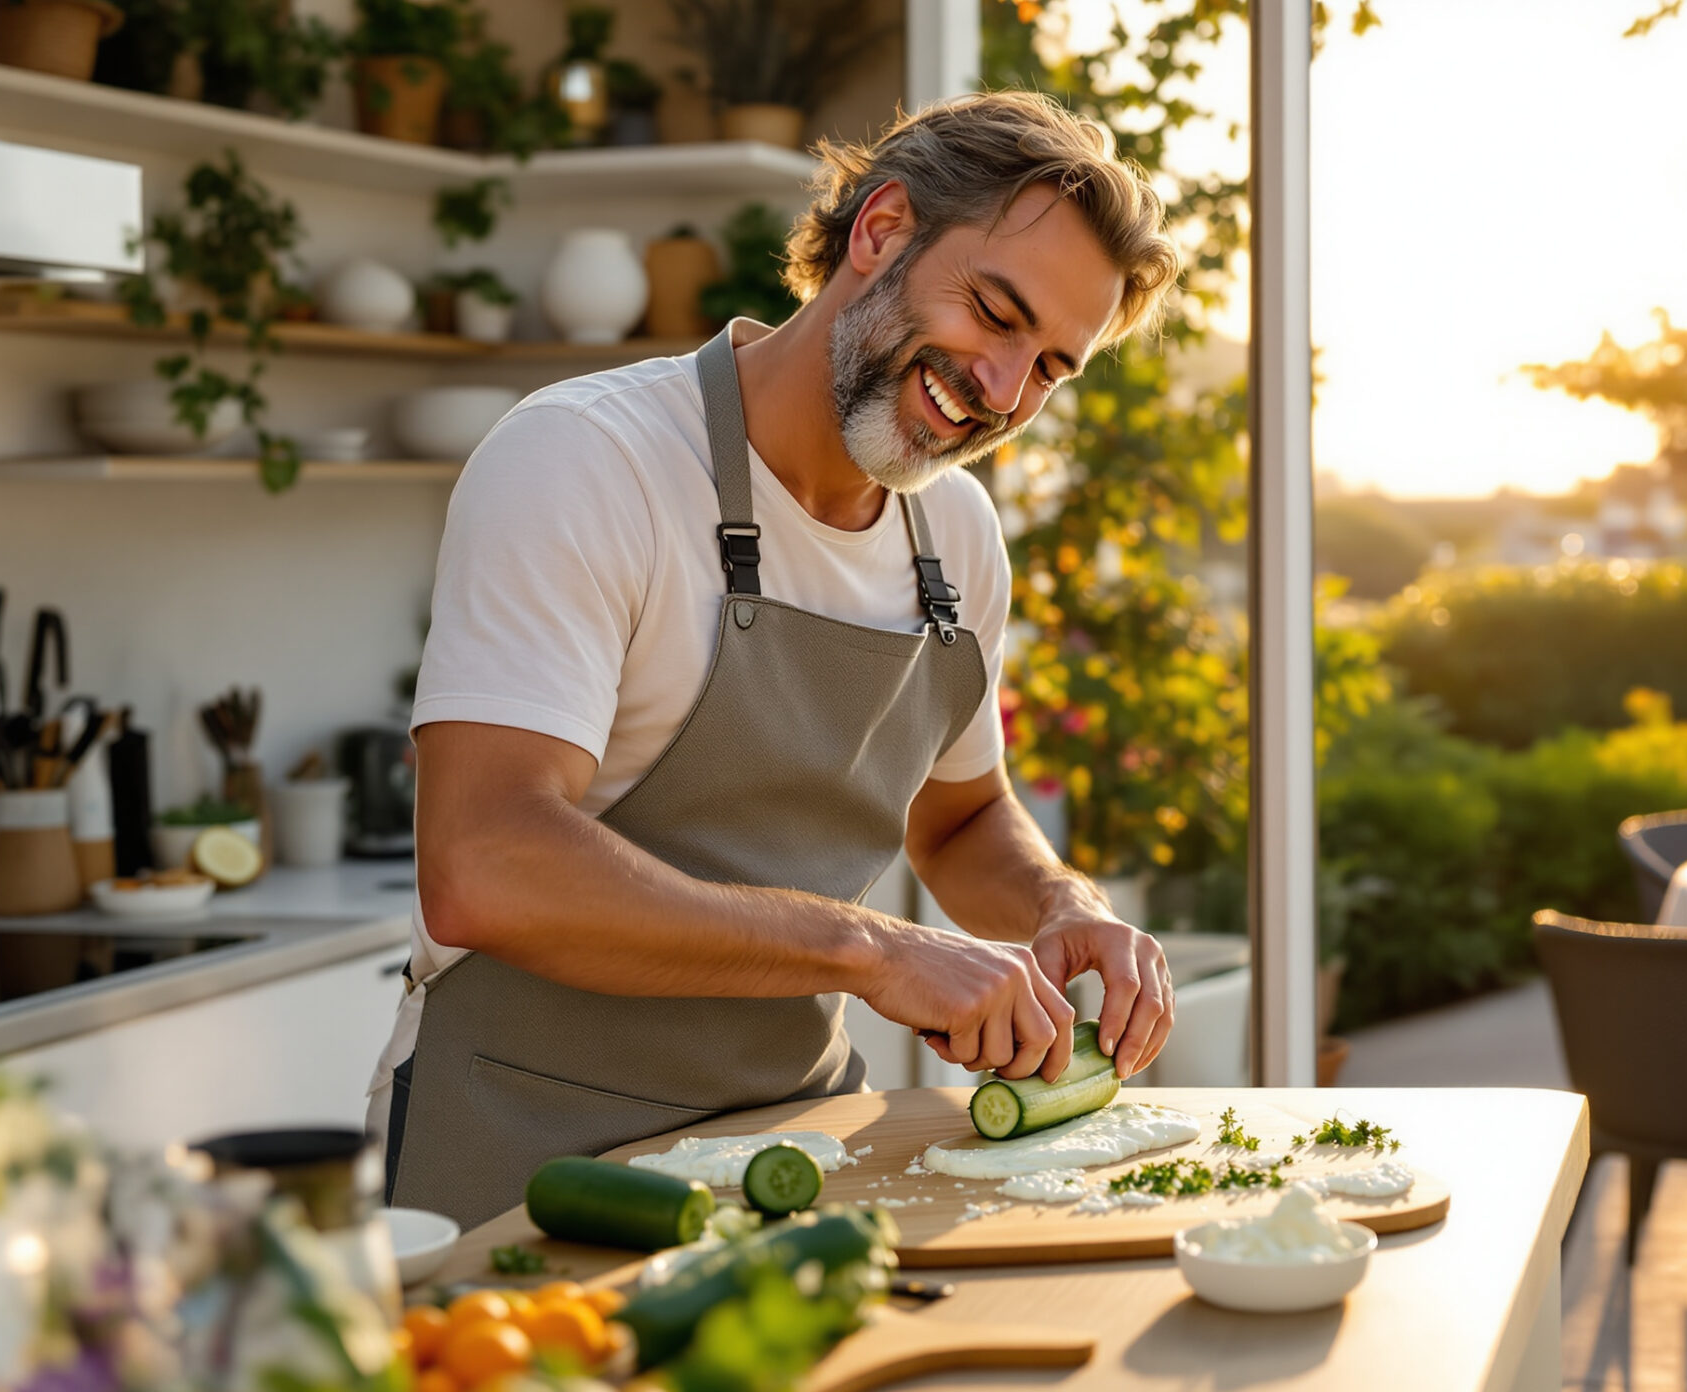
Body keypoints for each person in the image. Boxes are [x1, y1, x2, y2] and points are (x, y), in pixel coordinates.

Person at [373, 92, 1183, 1226]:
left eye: (1050, 366)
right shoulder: (588, 460)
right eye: (995, 313)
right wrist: (870, 949)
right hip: (525, 1150)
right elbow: (484, 864)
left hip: (796, 1155)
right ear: (881, 229)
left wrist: (1059, 904)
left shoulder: (954, 535)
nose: (1003, 393)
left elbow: (958, 820)